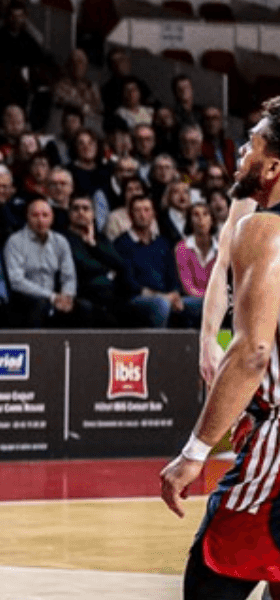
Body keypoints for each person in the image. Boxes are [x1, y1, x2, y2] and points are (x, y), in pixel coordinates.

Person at [160, 98, 280, 597]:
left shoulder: (266, 229)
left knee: (208, 579)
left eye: (250, 145)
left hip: (276, 452)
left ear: (273, 166)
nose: (239, 155)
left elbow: (252, 352)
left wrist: (194, 453)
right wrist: (208, 335)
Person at [4, 198, 91, 327]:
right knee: (40, 305)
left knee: (85, 307)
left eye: (45, 215)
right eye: (35, 215)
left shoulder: (60, 241)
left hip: (55, 297)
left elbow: (69, 276)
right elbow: (16, 281)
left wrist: (67, 297)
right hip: (25, 297)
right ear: (27, 217)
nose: (40, 220)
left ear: (52, 218)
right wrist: (52, 296)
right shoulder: (15, 241)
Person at [116, 194, 197, 328]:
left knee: (208, 305)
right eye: (137, 210)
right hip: (135, 299)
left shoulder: (163, 243)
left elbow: (173, 276)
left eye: (147, 210)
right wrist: (164, 296)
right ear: (130, 215)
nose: (142, 215)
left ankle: (220, 346)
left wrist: (175, 295)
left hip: (166, 296)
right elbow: (128, 284)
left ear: (153, 214)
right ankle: (161, 348)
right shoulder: (121, 244)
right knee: (161, 304)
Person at [175, 201, 219, 301]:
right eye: (196, 215)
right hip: (193, 299)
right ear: (190, 221)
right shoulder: (182, 248)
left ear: (212, 220)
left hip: (217, 300)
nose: (201, 219)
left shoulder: (221, 249)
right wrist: (209, 298)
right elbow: (188, 287)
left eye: (205, 214)